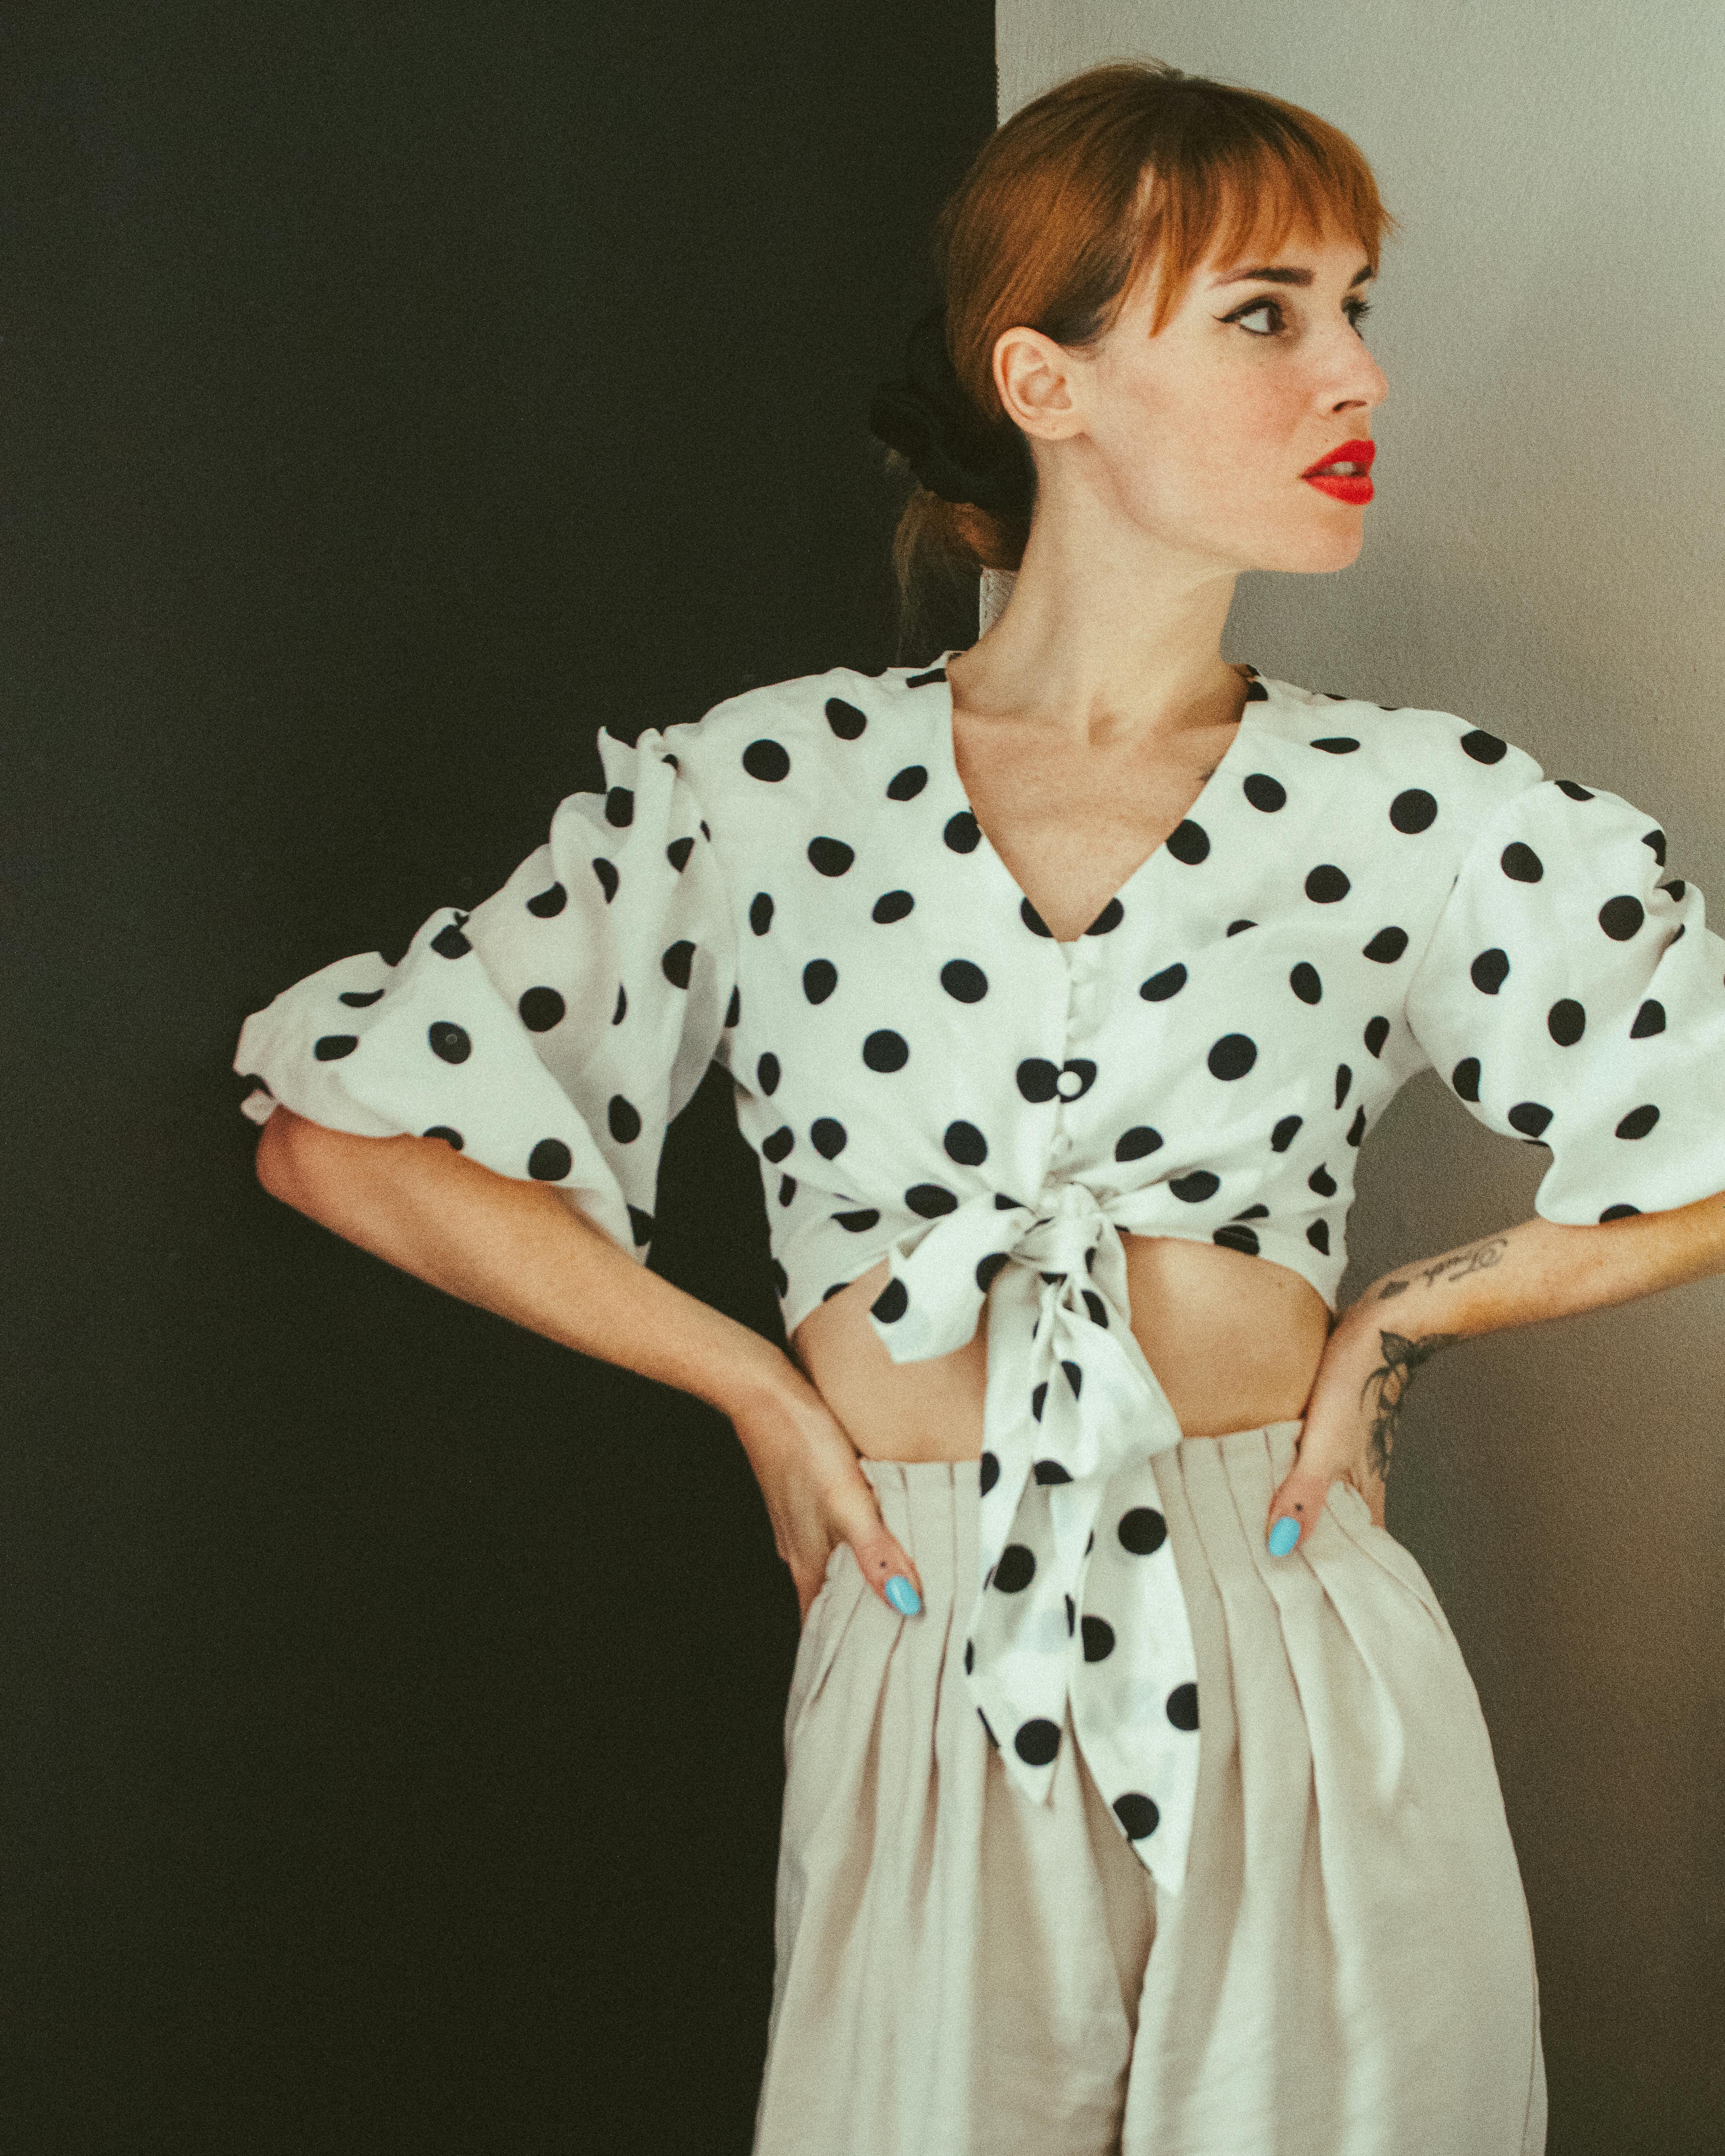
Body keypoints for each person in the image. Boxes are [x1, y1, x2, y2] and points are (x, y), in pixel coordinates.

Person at [233, 59, 1725, 2156]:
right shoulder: (762, 787)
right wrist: (753, 1382)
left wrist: (1410, 1311)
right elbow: (343, 1130)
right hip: (925, 1631)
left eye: (1358, 304)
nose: (1356, 368)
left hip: (1286, 1624)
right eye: (1265, 311)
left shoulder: (1414, 803)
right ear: (1047, 377)